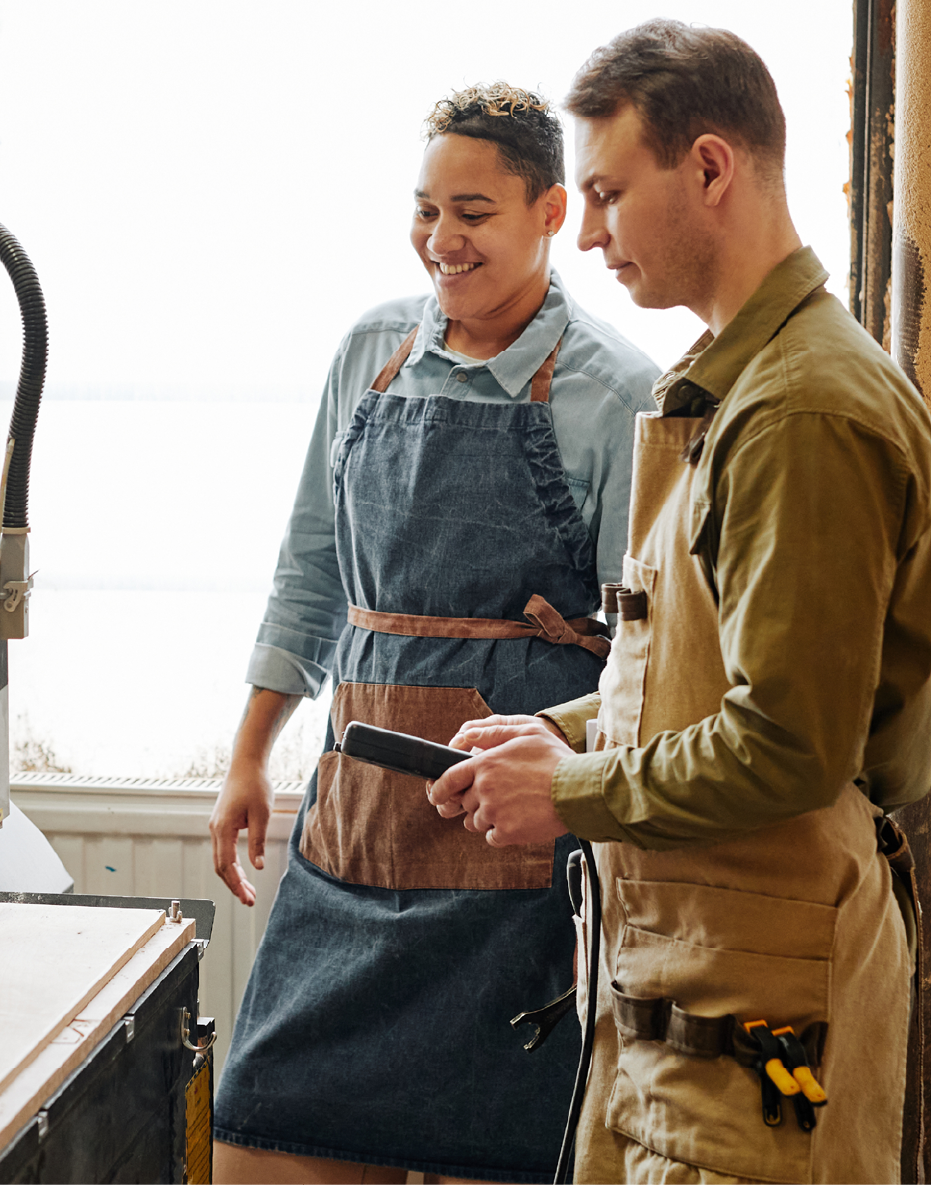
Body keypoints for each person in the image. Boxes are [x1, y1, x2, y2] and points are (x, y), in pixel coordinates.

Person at [428, 21, 931, 1185]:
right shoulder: (733, 384)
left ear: (710, 168)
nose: (589, 230)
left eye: (607, 191)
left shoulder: (804, 413)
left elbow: (790, 746)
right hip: (698, 979)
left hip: (766, 1011)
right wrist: (559, 731)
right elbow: (694, 675)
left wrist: (570, 792)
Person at [209, 84, 660, 1184]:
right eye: (424, 210)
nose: (440, 242)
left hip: (515, 859)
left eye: (473, 212)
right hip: (351, 827)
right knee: (255, 1138)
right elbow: (310, 570)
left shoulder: (619, 394)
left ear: (552, 211)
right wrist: (249, 756)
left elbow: (647, 658)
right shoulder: (368, 352)